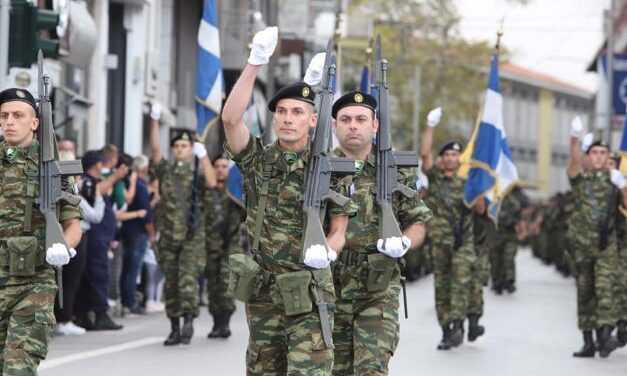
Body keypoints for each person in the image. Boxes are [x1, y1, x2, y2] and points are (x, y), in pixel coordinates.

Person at [221, 26, 354, 375]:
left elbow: (340, 228)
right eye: (281, 112)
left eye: (297, 112)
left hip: (310, 290)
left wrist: (329, 250)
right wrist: (254, 63)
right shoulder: (257, 161)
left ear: (313, 120)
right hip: (264, 291)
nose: (288, 119)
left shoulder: (329, 168)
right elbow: (231, 119)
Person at [328, 90, 431, 375]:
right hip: (328, 287)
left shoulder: (395, 170)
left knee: (371, 367)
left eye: (361, 119)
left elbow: (418, 220)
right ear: (334, 124)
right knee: (335, 369)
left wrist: (405, 241)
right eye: (345, 119)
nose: (353, 125)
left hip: (379, 288)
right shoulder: (318, 168)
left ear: (375, 125)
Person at [0, 88, 82, 374]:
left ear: (35, 122)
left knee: (17, 368)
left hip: (33, 283)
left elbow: (73, 224)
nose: (9, 122)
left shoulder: (54, 169)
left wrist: (66, 247)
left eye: (18, 115)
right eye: (4, 116)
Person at [149, 103, 217, 346]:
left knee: (187, 279)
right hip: (168, 236)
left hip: (192, 235)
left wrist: (204, 155)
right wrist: (154, 120)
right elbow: (156, 150)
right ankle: (174, 327)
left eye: (184, 146)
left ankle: (188, 321)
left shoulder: (198, 168)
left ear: (191, 149)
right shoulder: (166, 170)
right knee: (172, 283)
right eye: (176, 146)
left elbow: (211, 182)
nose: (179, 149)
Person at [420, 107, 486, 350]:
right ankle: (446, 328)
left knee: (460, 281)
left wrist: (479, 193)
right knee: (442, 286)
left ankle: (458, 324)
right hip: (439, 243)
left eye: (454, 155)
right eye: (446, 154)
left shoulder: (469, 183)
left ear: (460, 159)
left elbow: (480, 211)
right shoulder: (436, 178)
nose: (450, 158)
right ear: (442, 159)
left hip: (463, 243)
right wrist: (430, 125)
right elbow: (425, 155)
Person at [567, 117, 627, 358]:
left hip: (606, 245)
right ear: (588, 156)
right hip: (582, 247)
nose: (599, 157)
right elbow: (572, 164)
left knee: (605, 289)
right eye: (595, 153)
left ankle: (605, 334)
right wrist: (574, 138)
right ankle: (588, 341)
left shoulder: (615, 180)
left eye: (603, 153)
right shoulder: (581, 181)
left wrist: (622, 185)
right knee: (585, 292)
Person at [74, 150, 128, 331]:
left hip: (101, 236)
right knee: (97, 274)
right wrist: (116, 177)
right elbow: (94, 194)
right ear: (97, 164)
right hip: (95, 237)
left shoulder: (94, 181)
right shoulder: (88, 181)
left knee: (95, 274)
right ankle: (99, 313)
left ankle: (87, 314)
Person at [54, 151, 106, 336]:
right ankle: (64, 319)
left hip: (67, 236)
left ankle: (64, 318)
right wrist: (98, 194)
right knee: (69, 281)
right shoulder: (69, 192)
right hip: (73, 237)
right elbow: (95, 215)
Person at [204, 155, 245, 338]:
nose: (221, 169)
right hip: (211, 244)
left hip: (232, 245)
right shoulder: (207, 192)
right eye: (217, 166)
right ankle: (216, 323)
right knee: (213, 285)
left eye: (224, 166)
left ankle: (225, 323)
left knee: (226, 284)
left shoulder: (236, 193)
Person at [119, 155, 153, 314]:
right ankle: (130, 302)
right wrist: (151, 232)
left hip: (127, 229)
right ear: (143, 169)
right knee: (133, 268)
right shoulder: (140, 185)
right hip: (138, 231)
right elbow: (146, 212)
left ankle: (127, 300)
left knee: (127, 268)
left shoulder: (131, 184)